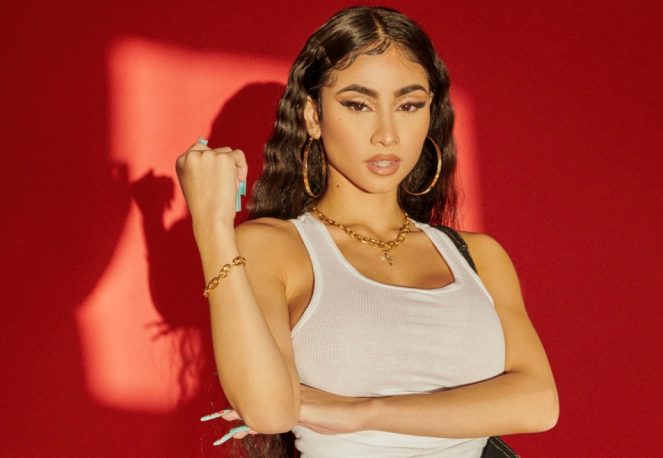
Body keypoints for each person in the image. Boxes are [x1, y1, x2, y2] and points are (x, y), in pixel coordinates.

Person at [176, 6, 558, 457]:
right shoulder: (274, 247)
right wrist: (211, 223)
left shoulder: (478, 256)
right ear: (313, 115)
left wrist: (359, 412)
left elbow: (539, 404)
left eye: (409, 105)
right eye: (358, 104)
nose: (387, 134)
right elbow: (270, 411)